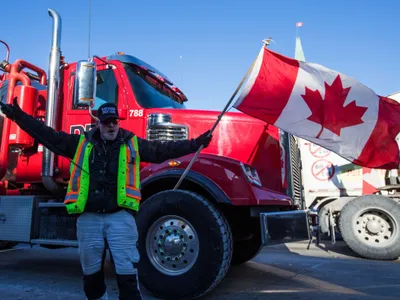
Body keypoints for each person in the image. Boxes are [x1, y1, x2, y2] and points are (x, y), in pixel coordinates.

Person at [0, 100, 212, 300]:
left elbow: (163, 149)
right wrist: (18, 116)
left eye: (114, 121)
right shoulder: (79, 143)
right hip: (88, 219)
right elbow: (48, 136)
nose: (111, 126)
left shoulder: (132, 143)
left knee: (127, 275)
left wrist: (195, 144)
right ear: (98, 124)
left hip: (120, 219)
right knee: (91, 276)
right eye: (106, 122)